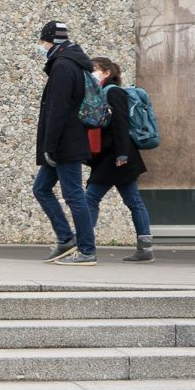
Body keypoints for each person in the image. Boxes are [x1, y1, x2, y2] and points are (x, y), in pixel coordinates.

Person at [32, 20, 98, 265]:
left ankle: (87, 250)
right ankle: (66, 238)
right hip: (65, 141)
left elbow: (58, 110)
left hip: (64, 144)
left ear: (52, 41)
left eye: (43, 42)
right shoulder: (70, 63)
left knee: (74, 196)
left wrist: (49, 146)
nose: (42, 47)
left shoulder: (63, 66)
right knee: (41, 188)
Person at [86, 57, 154, 262]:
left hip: (116, 157)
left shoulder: (113, 92)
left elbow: (121, 124)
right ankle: (145, 248)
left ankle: (84, 244)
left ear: (107, 72)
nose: (91, 73)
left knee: (90, 198)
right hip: (113, 157)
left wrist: (122, 154)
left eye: (94, 69)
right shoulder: (102, 92)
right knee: (133, 200)